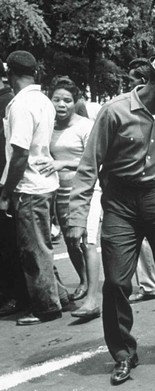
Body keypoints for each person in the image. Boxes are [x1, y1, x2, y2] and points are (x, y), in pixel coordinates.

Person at [66, 48, 155, 384]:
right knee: (116, 282)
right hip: (120, 203)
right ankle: (123, 353)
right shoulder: (114, 112)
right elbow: (87, 167)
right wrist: (77, 218)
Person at [0, 51, 64, 325]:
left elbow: (20, 154)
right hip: (44, 183)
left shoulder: (21, 105)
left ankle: (46, 307)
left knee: (33, 250)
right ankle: (58, 294)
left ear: (9, 73)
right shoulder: (43, 101)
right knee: (42, 245)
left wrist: (6, 191)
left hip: (30, 185)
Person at [37, 77, 102, 319]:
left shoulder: (85, 126)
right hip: (59, 191)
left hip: (86, 191)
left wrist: (63, 162)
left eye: (67, 100)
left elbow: (95, 160)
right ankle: (84, 282)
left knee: (87, 240)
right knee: (70, 240)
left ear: (75, 102)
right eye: (56, 99)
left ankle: (94, 298)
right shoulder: (47, 126)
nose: (61, 104)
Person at [126, 58, 155, 304]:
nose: (129, 85)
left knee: (144, 240)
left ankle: (151, 283)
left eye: (131, 81)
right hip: (142, 186)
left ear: (143, 82)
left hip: (147, 186)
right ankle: (151, 281)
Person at [0, 58, 29, 318]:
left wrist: (6, 190)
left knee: (11, 243)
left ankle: (16, 296)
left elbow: (17, 151)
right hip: (10, 180)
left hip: (9, 181)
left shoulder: (10, 102)